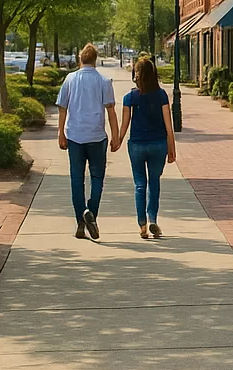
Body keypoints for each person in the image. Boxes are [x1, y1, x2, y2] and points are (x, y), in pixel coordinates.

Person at [56, 42, 120, 240]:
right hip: (96, 136)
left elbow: (62, 107)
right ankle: (91, 212)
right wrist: (116, 136)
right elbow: (110, 110)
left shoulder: (70, 79)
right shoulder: (103, 81)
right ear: (96, 59)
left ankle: (81, 218)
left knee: (76, 179)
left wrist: (60, 132)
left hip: (74, 135)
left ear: (80, 59)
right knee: (97, 178)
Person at [119, 55, 176, 239]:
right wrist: (171, 147)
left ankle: (142, 225)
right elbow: (168, 124)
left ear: (138, 75)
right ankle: (153, 219)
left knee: (140, 185)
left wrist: (117, 140)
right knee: (154, 182)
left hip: (136, 145)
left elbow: (125, 124)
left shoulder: (130, 97)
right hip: (158, 144)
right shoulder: (161, 95)